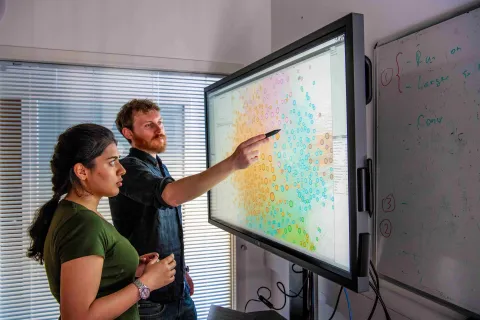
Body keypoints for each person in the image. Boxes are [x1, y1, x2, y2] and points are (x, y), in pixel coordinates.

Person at [109, 99, 269, 319]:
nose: (159, 129)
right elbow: (171, 196)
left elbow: (164, 229)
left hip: (178, 292)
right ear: (128, 133)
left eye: (160, 122)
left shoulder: (158, 166)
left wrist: (182, 271)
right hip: (151, 302)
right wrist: (232, 163)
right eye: (149, 125)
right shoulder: (128, 168)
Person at [27, 123, 177, 320]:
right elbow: (78, 317)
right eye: (112, 162)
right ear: (82, 172)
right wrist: (146, 283)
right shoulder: (83, 224)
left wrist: (127, 266)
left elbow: (95, 277)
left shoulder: (74, 212)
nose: (122, 169)